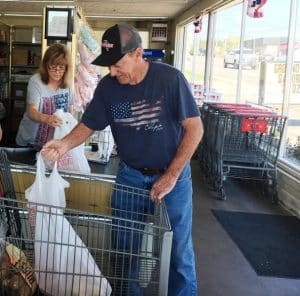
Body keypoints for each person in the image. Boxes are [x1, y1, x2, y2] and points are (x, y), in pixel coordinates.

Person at [42, 24, 203, 296]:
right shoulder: (108, 87)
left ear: (138, 53)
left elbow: (195, 128)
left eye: (117, 65)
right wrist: (64, 143)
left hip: (173, 177)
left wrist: (172, 174)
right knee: (124, 249)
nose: (112, 72)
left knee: (177, 248)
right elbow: (89, 124)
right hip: (130, 175)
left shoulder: (170, 80)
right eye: (109, 66)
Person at [16, 43, 73, 150]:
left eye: (61, 67)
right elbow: (32, 111)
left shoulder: (68, 85)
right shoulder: (36, 81)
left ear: (67, 68)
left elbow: (69, 111)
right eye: (53, 67)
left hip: (53, 144)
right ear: (46, 65)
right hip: (31, 143)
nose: (57, 71)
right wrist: (47, 118)